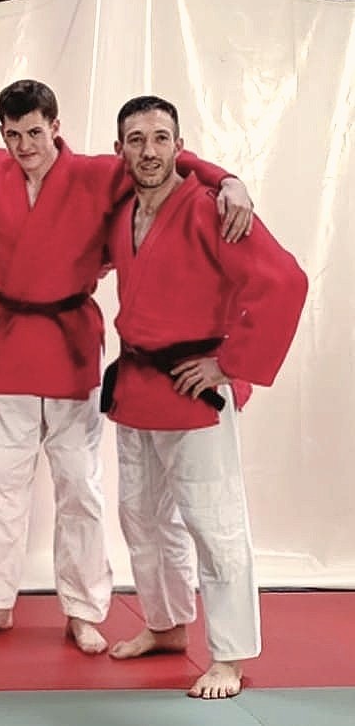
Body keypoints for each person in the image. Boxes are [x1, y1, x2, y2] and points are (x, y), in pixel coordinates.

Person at [0, 80, 252, 652]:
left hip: (69, 347)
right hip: (8, 345)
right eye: (13, 135)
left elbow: (160, 160)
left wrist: (227, 179)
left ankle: (83, 609)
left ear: (56, 128)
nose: (24, 146)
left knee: (79, 488)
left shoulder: (97, 173)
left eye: (35, 132)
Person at [104, 95, 306, 698]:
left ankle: (230, 655)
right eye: (136, 140)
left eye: (161, 138)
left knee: (214, 525)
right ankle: (166, 624)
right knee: (141, 517)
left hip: (193, 395)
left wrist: (228, 364)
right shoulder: (122, 208)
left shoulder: (212, 209)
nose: (149, 151)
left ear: (179, 145)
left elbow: (285, 281)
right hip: (137, 387)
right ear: (120, 150)